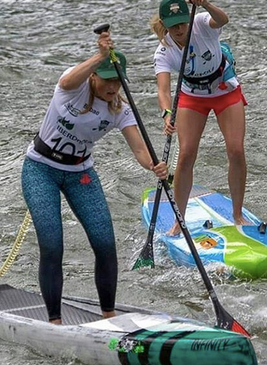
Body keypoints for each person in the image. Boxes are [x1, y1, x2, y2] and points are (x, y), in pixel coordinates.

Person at [21, 30, 168, 324]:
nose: (113, 86)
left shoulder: (119, 110)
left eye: (117, 80)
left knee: (104, 243)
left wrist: (155, 165)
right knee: (52, 244)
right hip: (40, 169)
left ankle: (109, 314)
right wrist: (100, 56)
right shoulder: (72, 87)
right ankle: (54, 320)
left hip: (80, 174)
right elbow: (66, 80)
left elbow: (139, 149)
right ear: (93, 77)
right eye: (106, 79)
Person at [151, 0, 249, 235]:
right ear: (164, 26)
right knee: (185, 155)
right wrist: (166, 113)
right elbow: (163, 90)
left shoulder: (201, 22)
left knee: (236, 150)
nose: (180, 28)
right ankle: (179, 220)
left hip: (224, 89)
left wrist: (205, 3)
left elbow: (223, 19)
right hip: (192, 96)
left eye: (183, 22)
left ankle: (238, 214)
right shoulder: (163, 53)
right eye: (173, 26)